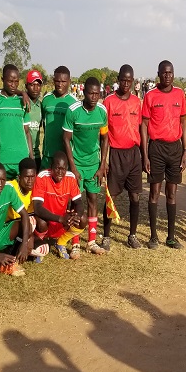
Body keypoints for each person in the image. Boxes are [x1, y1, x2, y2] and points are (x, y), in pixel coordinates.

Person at [141, 60, 186, 249]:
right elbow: (143, 125)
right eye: (164, 73)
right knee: (154, 192)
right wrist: (145, 155)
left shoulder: (179, 94)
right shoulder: (150, 96)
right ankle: (153, 237)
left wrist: (185, 151)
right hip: (156, 148)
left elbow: (183, 123)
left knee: (172, 192)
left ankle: (170, 236)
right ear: (158, 74)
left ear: (173, 74)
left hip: (175, 148)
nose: (167, 76)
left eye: (170, 73)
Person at [63, 77, 108, 256]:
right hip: (77, 164)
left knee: (93, 200)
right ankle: (74, 243)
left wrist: (102, 164)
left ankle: (91, 241)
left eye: (97, 93)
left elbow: (105, 138)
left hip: (94, 164)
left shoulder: (102, 111)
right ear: (84, 92)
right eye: (90, 93)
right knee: (76, 202)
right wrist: (72, 167)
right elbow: (66, 139)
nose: (94, 96)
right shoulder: (73, 111)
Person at [102, 65, 143, 250]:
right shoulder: (108, 102)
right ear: (118, 79)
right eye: (123, 80)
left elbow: (140, 127)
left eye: (129, 80)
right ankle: (107, 236)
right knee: (112, 197)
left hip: (134, 153)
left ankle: (132, 235)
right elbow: (103, 134)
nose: (126, 83)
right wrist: (105, 159)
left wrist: (143, 155)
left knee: (135, 197)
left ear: (133, 81)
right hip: (116, 154)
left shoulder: (136, 102)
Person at [31, 152, 87, 260]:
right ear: (51, 167)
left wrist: (77, 215)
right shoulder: (42, 177)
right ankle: (41, 244)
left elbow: (78, 202)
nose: (60, 172)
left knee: (83, 219)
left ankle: (61, 242)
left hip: (63, 221)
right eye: (57, 168)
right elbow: (37, 208)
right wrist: (60, 219)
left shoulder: (70, 178)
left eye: (63, 169)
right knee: (41, 222)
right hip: (47, 220)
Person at [0, 64, 33, 179]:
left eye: (16, 81)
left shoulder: (23, 102)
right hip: (3, 160)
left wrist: (31, 158)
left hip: (23, 160)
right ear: (2, 80)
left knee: (22, 196)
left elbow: (27, 132)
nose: (13, 85)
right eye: (10, 81)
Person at [41, 66, 79, 167]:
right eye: (57, 81)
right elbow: (44, 123)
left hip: (65, 156)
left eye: (63, 81)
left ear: (69, 81)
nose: (60, 85)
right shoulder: (46, 99)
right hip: (48, 154)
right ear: (53, 80)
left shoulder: (74, 102)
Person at [25, 70, 45, 169]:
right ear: (26, 86)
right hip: (22, 153)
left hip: (36, 154)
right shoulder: (20, 103)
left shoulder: (41, 106)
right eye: (32, 84)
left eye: (38, 85)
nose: (36, 88)